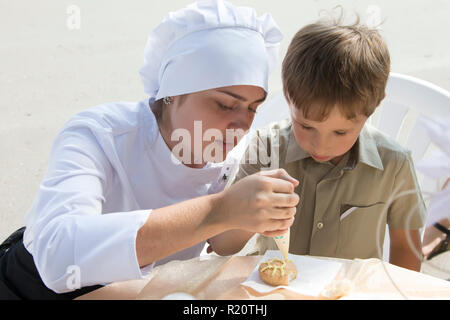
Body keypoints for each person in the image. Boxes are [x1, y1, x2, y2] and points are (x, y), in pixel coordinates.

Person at [0, 0, 300, 299]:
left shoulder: (237, 150)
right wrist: (218, 209)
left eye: (252, 108)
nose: (241, 125)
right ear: (172, 93)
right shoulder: (98, 135)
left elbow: (221, 243)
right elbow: (58, 255)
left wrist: (251, 215)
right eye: (224, 104)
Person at [208, 15, 427, 272]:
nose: (320, 147)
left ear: (373, 108)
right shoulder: (265, 149)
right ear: (289, 99)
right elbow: (222, 246)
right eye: (306, 126)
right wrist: (252, 213)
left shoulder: (394, 165)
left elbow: (406, 248)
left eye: (341, 132)